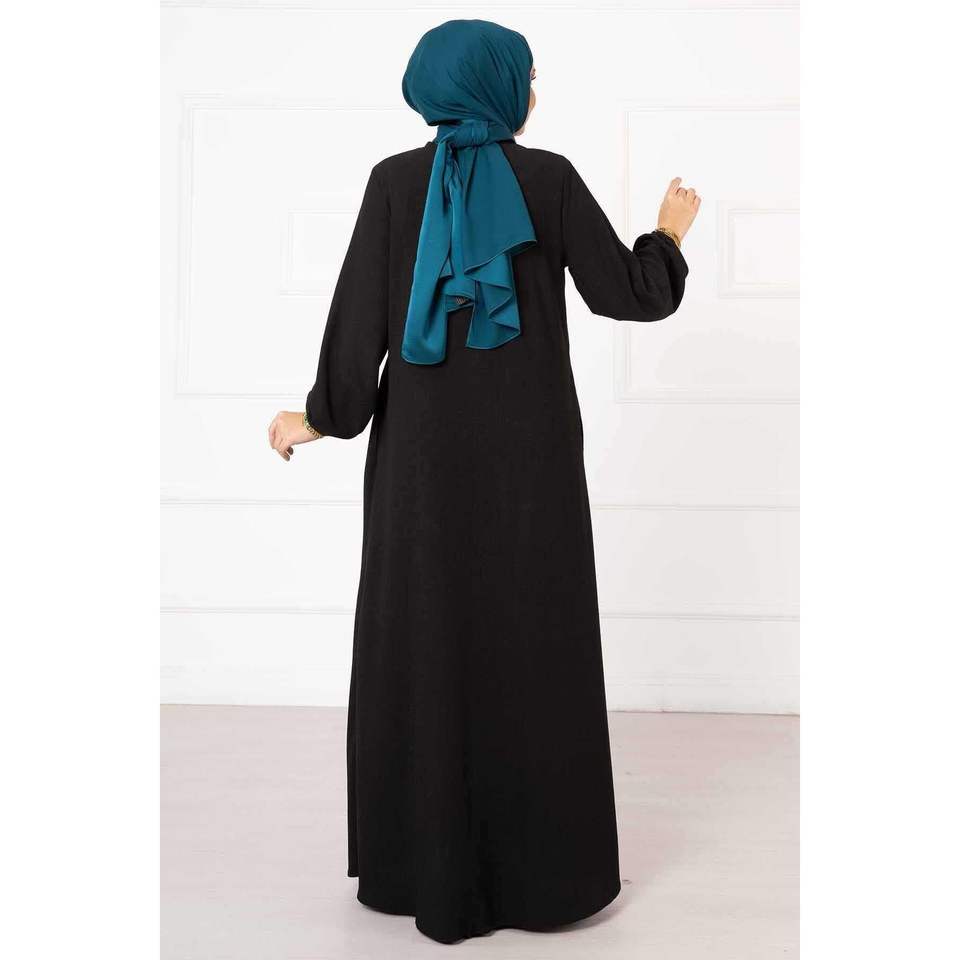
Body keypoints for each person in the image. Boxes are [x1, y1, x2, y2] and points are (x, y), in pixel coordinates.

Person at [267, 18, 699, 945]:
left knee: (425, 636)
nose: (534, 93)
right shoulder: (549, 180)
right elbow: (628, 293)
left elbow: (358, 325)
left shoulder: (393, 183)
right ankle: (542, 878)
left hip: (421, 469)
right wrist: (666, 236)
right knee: (532, 640)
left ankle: (418, 866)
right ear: (495, 87)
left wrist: (323, 417)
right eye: (527, 77)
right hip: (531, 463)